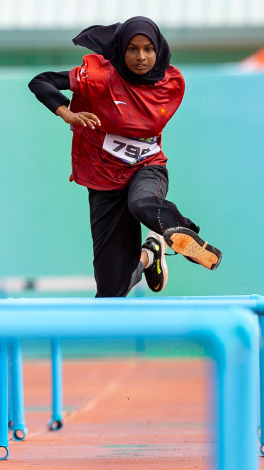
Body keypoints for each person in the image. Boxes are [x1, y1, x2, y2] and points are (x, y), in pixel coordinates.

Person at [29, 17, 221, 298]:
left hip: (147, 166)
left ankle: (183, 235)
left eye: (148, 49)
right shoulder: (99, 77)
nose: (141, 57)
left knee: (142, 202)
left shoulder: (171, 83)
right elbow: (41, 81)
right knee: (111, 292)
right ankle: (151, 254)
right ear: (121, 49)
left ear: (159, 51)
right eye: (132, 49)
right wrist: (66, 112)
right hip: (104, 177)